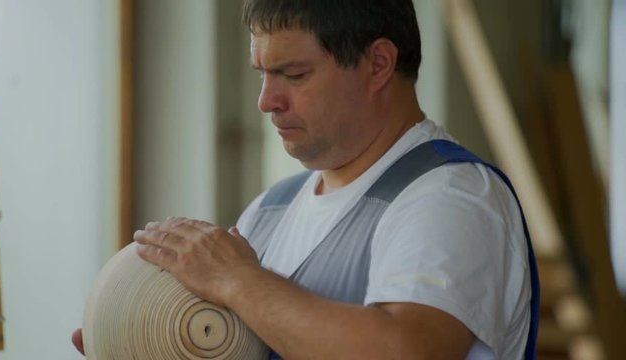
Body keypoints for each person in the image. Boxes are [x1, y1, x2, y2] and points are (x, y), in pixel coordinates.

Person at [73, 0, 539, 358]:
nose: (266, 101)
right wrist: (145, 338)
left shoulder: (452, 197)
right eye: (263, 75)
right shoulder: (270, 211)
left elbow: (405, 351)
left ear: (378, 64)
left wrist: (237, 280)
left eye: (293, 74)